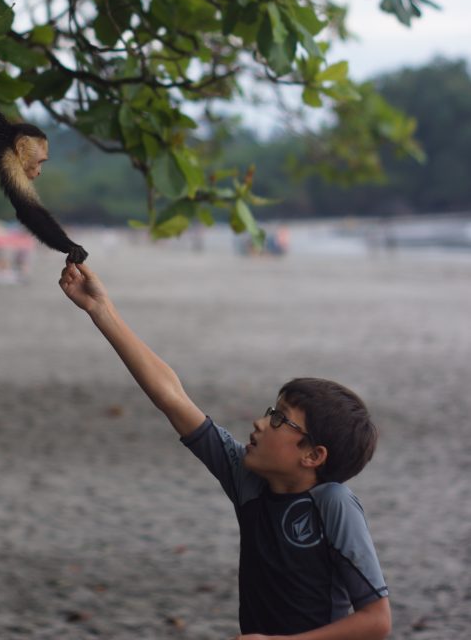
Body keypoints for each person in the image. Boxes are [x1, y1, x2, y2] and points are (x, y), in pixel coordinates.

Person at [58, 262, 392, 640]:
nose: (261, 423)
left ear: (313, 456)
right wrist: (101, 310)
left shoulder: (334, 503)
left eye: (280, 420)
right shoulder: (246, 479)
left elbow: (376, 621)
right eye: (271, 411)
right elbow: (172, 398)